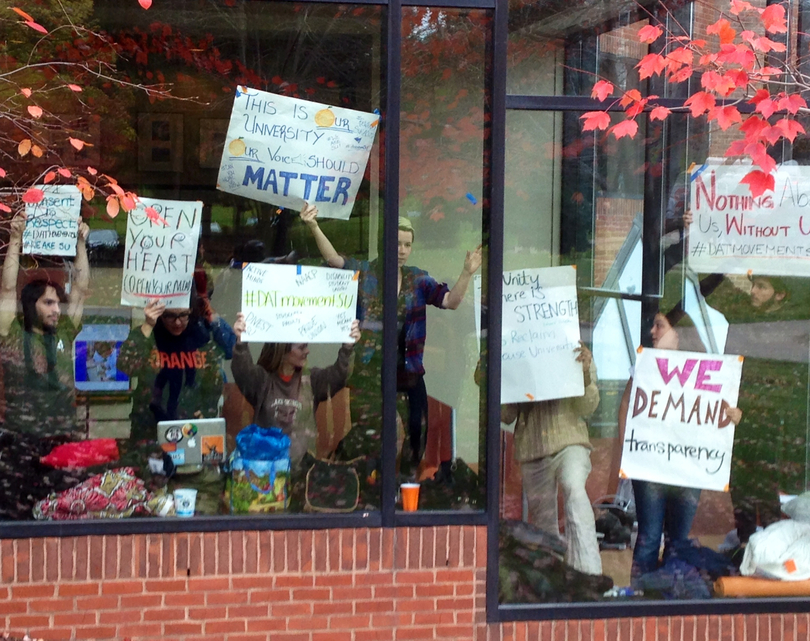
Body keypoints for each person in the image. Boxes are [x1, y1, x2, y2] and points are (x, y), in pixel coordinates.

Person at [301, 203, 482, 481]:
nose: (401, 250)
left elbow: (450, 301)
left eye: (407, 245)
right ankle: (345, 474)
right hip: (370, 371)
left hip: (408, 372)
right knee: (369, 432)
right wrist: (314, 225)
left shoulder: (417, 279)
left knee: (417, 433)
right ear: (385, 243)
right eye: (396, 243)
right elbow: (334, 260)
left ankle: (404, 485)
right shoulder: (365, 272)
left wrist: (467, 273)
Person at [618, 307, 742, 581]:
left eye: (659, 326)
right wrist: (628, 452)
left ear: (679, 333)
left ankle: (667, 596)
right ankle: (641, 599)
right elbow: (626, 407)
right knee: (649, 537)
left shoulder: (710, 370)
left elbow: (721, 414)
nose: (652, 332)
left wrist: (735, 415)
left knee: (677, 540)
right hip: (651, 463)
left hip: (688, 465)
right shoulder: (645, 365)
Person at [0, 211, 91, 519]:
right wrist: (15, 239)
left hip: (62, 441)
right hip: (20, 444)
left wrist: (80, 244)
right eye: (48, 303)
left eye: (57, 303)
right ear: (31, 305)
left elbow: (80, 289)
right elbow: (7, 289)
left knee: (64, 515)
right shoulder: (12, 333)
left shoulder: (65, 330)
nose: (56, 309)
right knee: (17, 519)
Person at [501, 341, 602, 575]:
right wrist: (496, 375)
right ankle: (554, 582)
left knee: (575, 490)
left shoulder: (578, 351)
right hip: (533, 448)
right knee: (544, 524)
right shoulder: (517, 352)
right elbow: (506, 415)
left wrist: (584, 375)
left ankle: (590, 574)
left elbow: (589, 407)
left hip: (570, 442)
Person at [231, 312, 361, 471]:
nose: (307, 351)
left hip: (303, 473)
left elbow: (340, 375)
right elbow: (242, 371)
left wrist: (348, 347)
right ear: (283, 351)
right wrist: (240, 342)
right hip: (268, 476)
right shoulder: (263, 381)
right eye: (301, 347)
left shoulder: (312, 380)